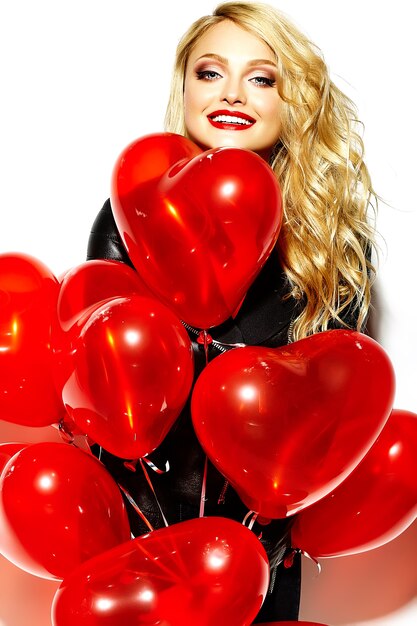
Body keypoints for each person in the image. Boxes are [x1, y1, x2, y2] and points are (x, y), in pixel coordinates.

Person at [86, 1, 377, 621]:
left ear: (290, 99)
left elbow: (334, 413)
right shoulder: (131, 216)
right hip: (145, 544)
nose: (234, 94)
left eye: (263, 78)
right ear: (185, 89)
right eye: (210, 73)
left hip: (262, 554)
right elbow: (106, 381)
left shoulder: (333, 242)